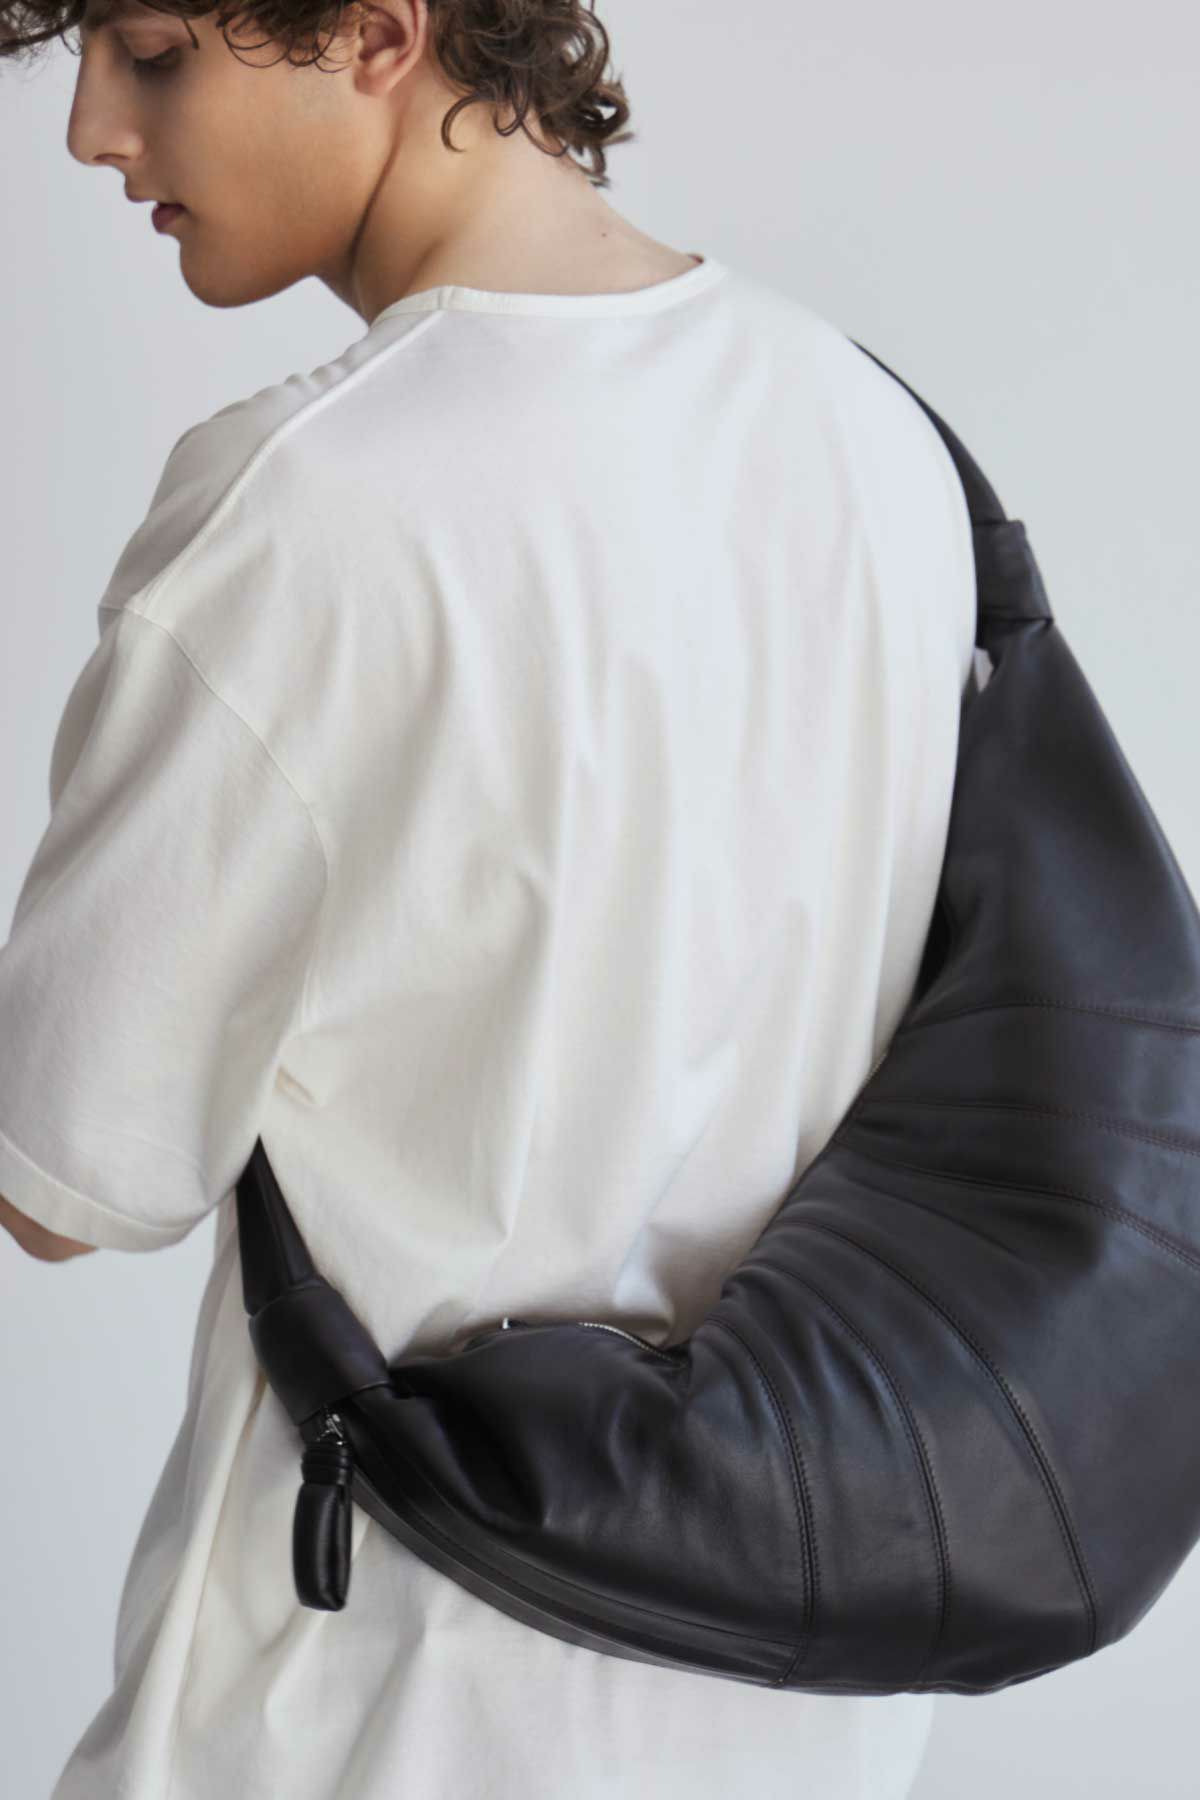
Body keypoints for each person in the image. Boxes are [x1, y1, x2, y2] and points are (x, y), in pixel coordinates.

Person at [0, 2, 978, 1794]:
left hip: (380, 1697)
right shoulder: (869, 433)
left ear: (380, 31)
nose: (91, 133)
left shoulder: (301, 507)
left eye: (151, 50)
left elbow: (64, 1173)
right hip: (793, 1693)